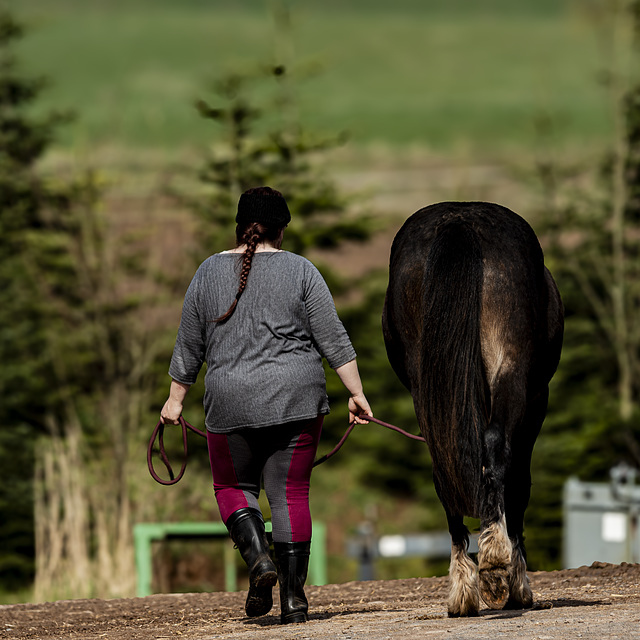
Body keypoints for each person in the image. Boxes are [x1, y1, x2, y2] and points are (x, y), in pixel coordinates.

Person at [160, 186, 372, 624]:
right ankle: (294, 601)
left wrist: (174, 402)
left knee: (232, 488)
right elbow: (333, 339)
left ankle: (259, 559)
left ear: (239, 226)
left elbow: (188, 346)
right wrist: (356, 393)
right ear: (282, 229)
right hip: (298, 400)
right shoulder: (302, 271)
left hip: (230, 404)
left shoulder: (206, 272)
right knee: (290, 493)